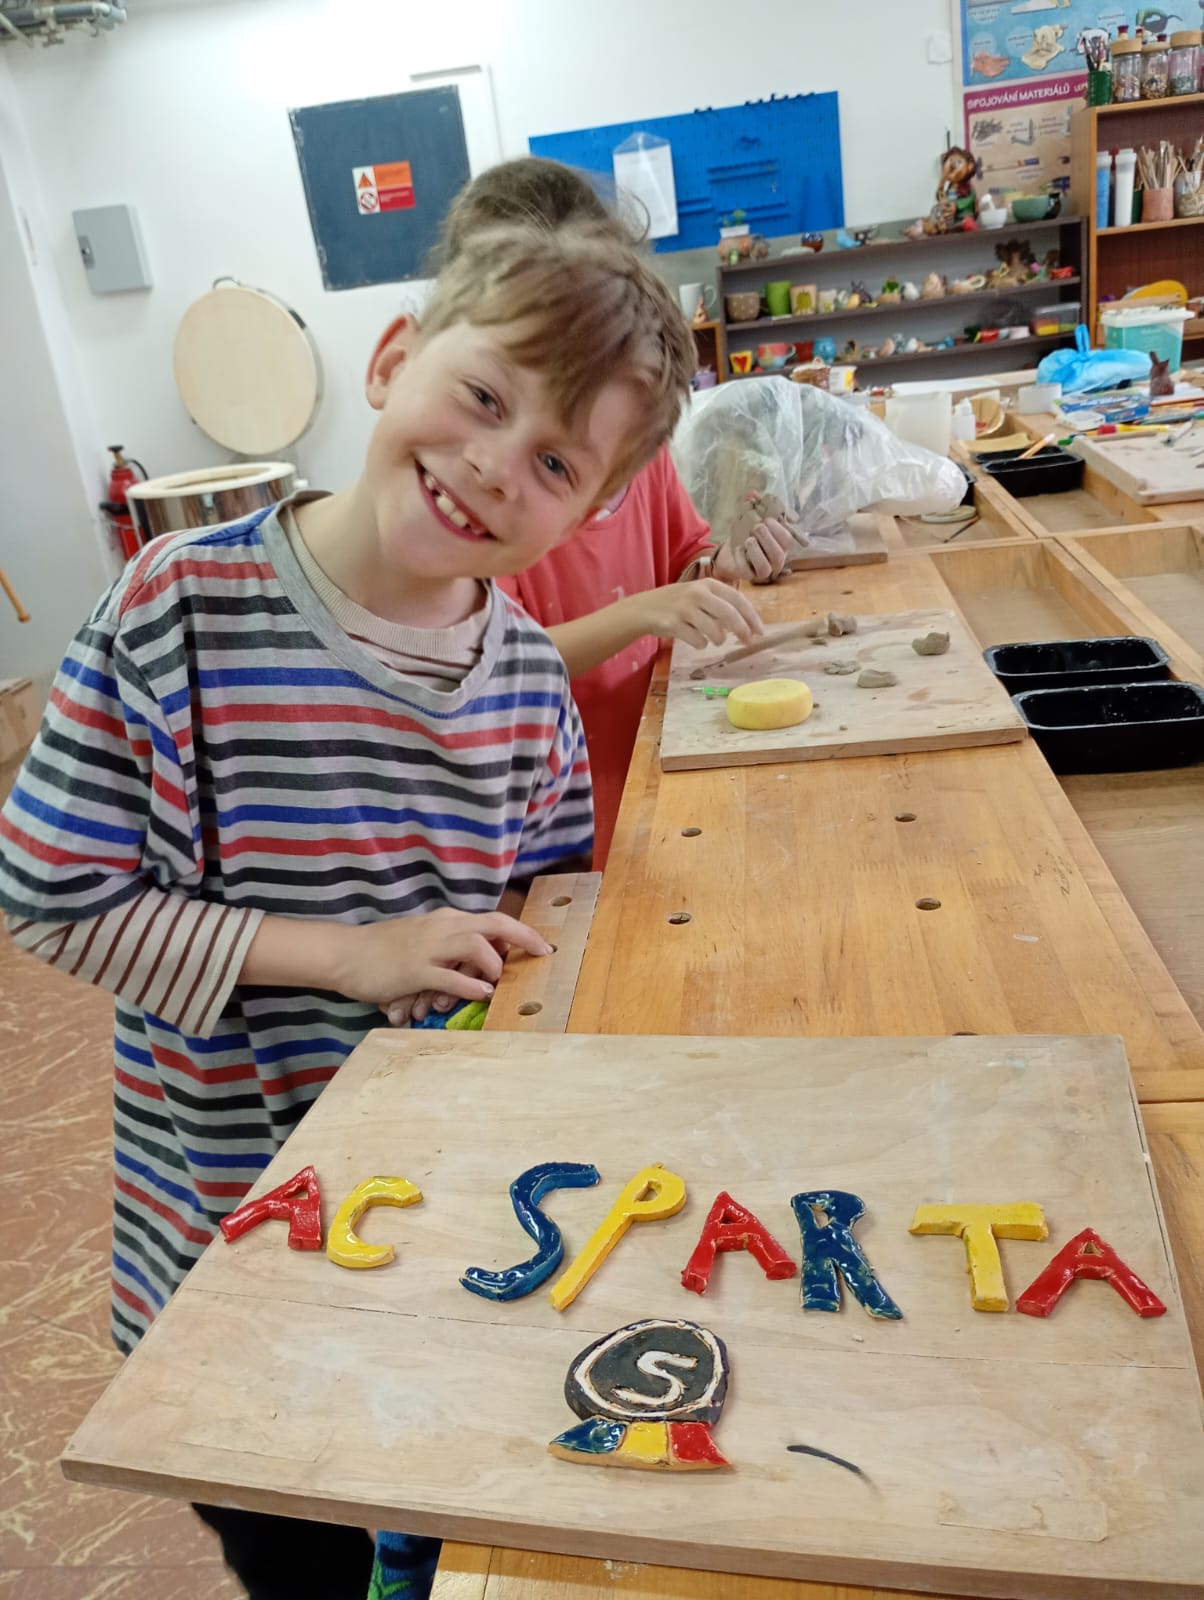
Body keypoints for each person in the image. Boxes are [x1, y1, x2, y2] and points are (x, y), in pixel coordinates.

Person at [0, 220, 695, 1600]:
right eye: (482, 395)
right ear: (391, 359)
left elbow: (549, 929)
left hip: (442, 1237)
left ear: (591, 517)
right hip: (224, 1226)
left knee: (434, 1528)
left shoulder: (527, 689)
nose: (495, 463)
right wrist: (347, 956)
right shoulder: (174, 608)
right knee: (289, 1542)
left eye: (556, 462)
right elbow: (53, 897)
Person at [442, 157, 794, 865]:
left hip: (658, 753)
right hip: (554, 813)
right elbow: (495, 665)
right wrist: (643, 612)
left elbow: (684, 558)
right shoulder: (481, 502)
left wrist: (724, 563)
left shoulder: (638, 453)